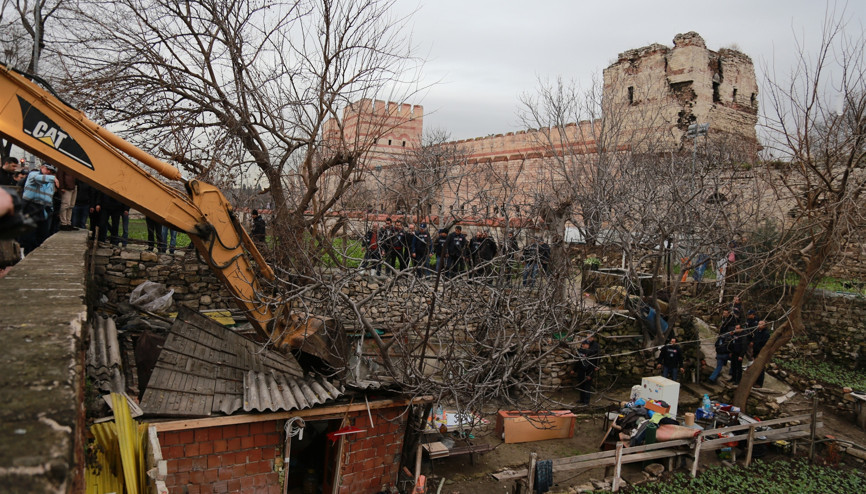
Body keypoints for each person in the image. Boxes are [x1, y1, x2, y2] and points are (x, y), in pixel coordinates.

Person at [19, 162, 58, 253]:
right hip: (30, 207)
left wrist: (50, 209)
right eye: (47, 169)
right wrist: (53, 178)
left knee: (43, 234)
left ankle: (37, 253)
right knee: (29, 235)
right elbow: (39, 178)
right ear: (42, 167)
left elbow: (49, 197)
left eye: (51, 171)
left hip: (43, 209)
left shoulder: (49, 182)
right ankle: (27, 253)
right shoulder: (33, 175)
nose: (49, 172)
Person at [573, 338, 598, 405]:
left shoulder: (591, 353)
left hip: (588, 372)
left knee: (587, 387)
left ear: (588, 345)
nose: (583, 345)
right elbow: (578, 362)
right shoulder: (580, 352)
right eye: (583, 344)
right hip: (581, 371)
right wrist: (574, 370)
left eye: (585, 344)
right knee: (581, 386)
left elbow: (593, 365)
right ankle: (582, 399)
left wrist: (590, 375)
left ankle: (586, 402)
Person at [749, 320, 771, 387]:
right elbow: (755, 339)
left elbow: (764, 345)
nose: (758, 325)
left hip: (761, 352)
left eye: (760, 324)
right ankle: (754, 381)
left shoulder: (766, 334)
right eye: (758, 324)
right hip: (755, 351)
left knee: (760, 369)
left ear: (764, 326)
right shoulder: (757, 331)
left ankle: (759, 383)